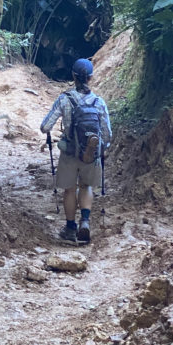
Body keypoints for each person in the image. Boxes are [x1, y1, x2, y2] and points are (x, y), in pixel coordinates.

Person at [40, 57, 111, 244]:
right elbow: (107, 134)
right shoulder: (99, 102)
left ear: (73, 76)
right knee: (86, 186)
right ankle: (85, 221)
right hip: (91, 154)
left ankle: (70, 228)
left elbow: (45, 127)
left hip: (70, 152)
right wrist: (101, 148)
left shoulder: (65, 99)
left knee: (70, 189)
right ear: (91, 78)